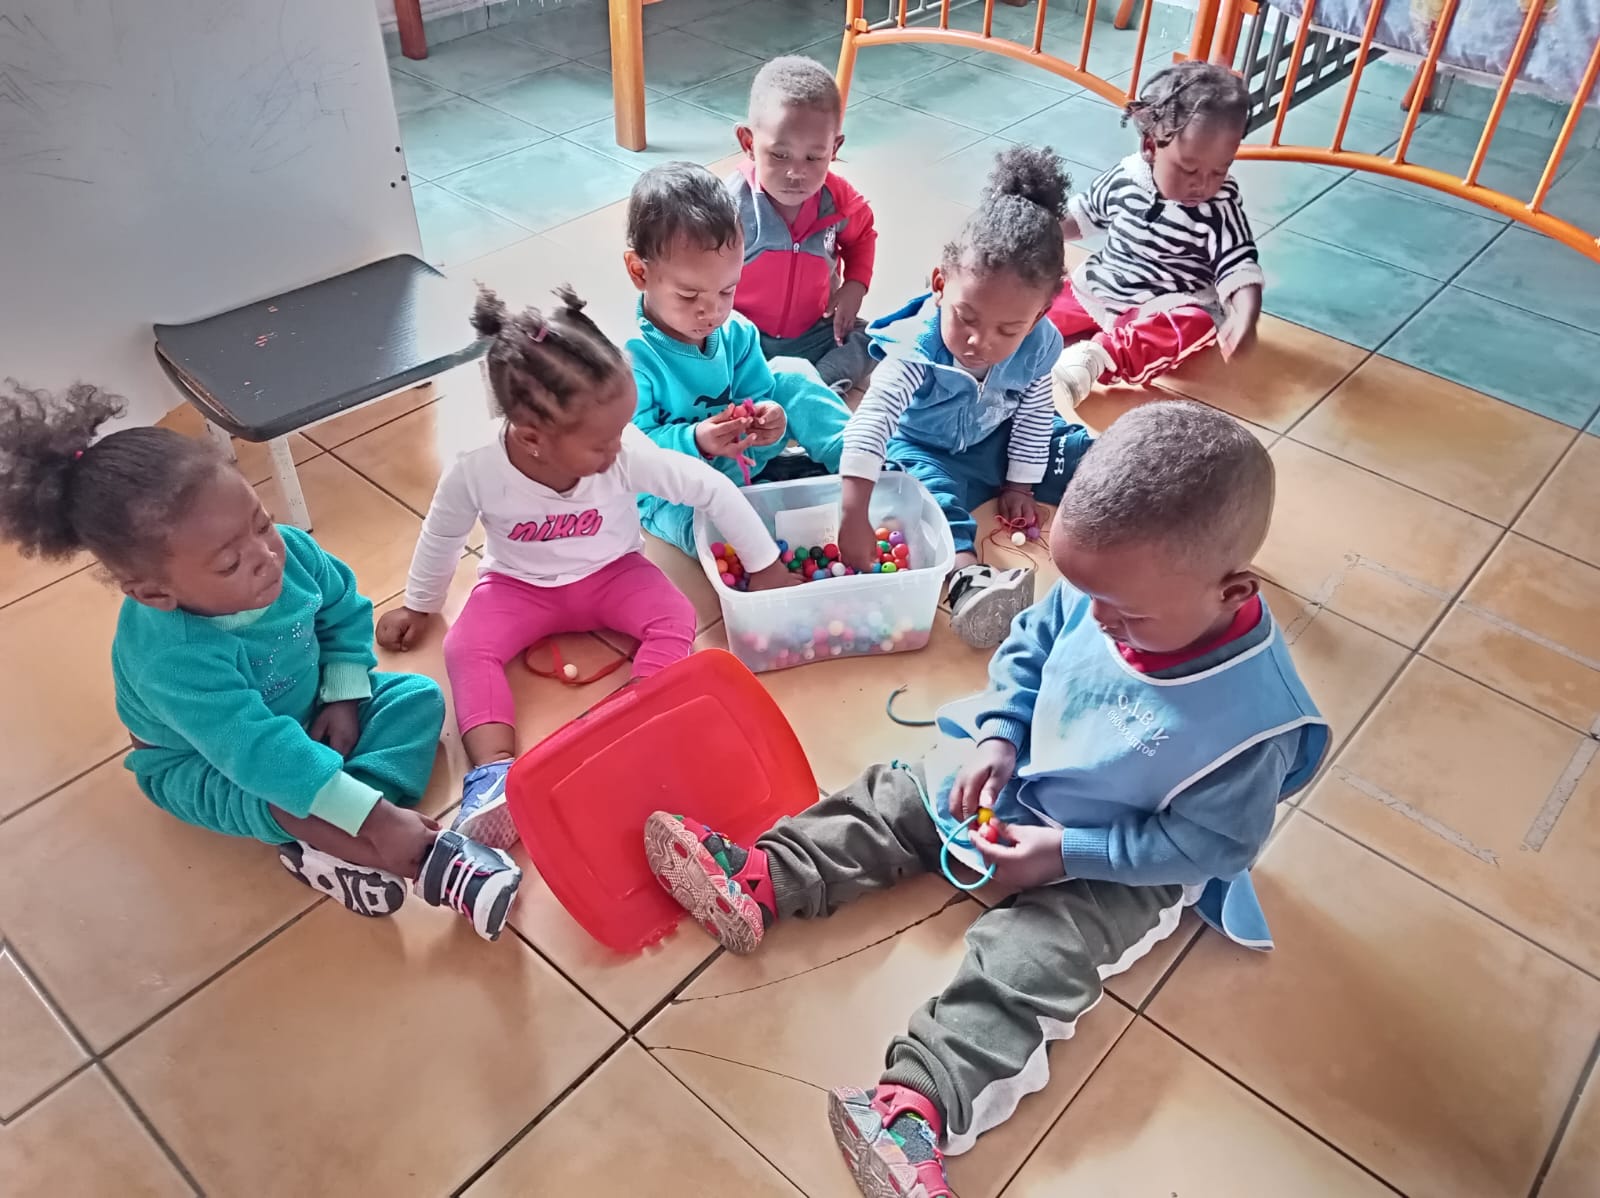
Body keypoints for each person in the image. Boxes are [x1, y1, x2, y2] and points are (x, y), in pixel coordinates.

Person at [644, 401, 1329, 1198]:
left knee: (1033, 960)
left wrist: (1067, 853)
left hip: (1122, 864)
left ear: (1231, 589)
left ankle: (917, 1110)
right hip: (1023, 775)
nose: (1097, 619)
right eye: (1085, 593)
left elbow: (1212, 847)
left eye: (1127, 615)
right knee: (899, 795)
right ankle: (765, 877)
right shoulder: (1111, 585)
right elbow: (1033, 645)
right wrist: (999, 737)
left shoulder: (1253, 722)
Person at [0, 384, 523, 940]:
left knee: (416, 697)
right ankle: (429, 866)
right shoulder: (170, 659)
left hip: (306, 706)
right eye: (229, 563)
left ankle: (333, 835)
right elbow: (257, 752)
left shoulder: (290, 551)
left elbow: (343, 612)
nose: (267, 556)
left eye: (261, 521)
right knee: (280, 795)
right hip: (209, 761)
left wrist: (344, 696)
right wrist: (378, 819)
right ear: (155, 593)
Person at [378, 287, 793, 849]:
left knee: (675, 617)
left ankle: (639, 724)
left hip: (614, 574)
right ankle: (493, 776)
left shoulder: (625, 451)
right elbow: (442, 535)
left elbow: (710, 489)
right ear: (532, 438)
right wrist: (420, 604)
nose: (618, 449)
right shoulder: (475, 468)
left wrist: (765, 566)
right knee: (464, 647)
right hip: (517, 586)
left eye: (621, 433)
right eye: (602, 443)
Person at [837, 146, 1092, 649]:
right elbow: (872, 420)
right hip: (924, 450)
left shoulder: (1041, 343)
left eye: (1008, 330)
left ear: (1039, 316)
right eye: (966, 318)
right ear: (940, 284)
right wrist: (852, 512)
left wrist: (1021, 482)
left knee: (1079, 452)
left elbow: (1034, 413)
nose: (980, 342)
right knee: (926, 496)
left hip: (997, 440)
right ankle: (968, 579)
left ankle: (1142, 504)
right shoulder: (917, 348)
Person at [625, 161, 852, 556]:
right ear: (639, 272)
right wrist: (696, 439)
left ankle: (858, 466)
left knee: (792, 372)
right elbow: (635, 453)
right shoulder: (632, 363)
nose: (712, 311)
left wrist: (770, 419)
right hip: (676, 493)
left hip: (745, 463)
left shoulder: (737, 332)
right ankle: (761, 523)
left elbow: (759, 394)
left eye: (727, 291)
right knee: (723, 537)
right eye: (689, 295)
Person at [1050, 61, 1263, 410]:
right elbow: (1083, 214)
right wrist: (1042, 227)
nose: (1202, 184)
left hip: (1167, 305)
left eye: (1220, 169)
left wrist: (1246, 315)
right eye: (1189, 169)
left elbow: (1239, 266)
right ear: (1150, 146)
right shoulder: (1126, 177)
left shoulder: (1220, 206)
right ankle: (1020, 338)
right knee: (1044, 300)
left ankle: (1097, 358)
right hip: (1103, 288)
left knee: (1198, 324)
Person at [726, 55, 877, 395]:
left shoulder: (839, 200)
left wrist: (855, 284)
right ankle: (791, 389)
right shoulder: (729, 205)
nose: (796, 173)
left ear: (834, 148)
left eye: (814, 157)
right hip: (743, 339)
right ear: (749, 143)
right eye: (779, 155)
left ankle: (811, 386)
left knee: (874, 339)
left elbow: (862, 237)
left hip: (813, 332)